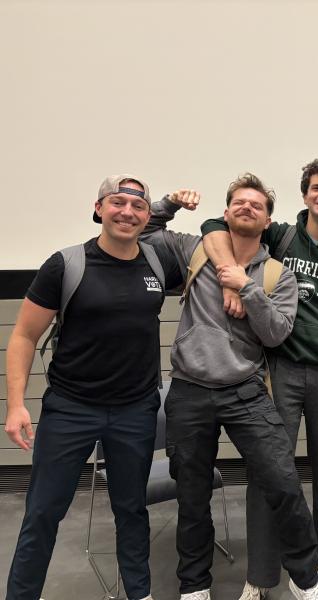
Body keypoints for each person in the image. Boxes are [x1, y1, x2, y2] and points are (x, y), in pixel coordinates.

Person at [141, 173, 318, 600]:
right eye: (239, 203)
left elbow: (276, 333)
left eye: (257, 205)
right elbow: (147, 229)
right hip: (189, 392)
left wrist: (245, 287)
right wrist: (170, 201)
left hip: (245, 392)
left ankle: (305, 579)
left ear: (267, 222)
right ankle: (194, 586)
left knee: (283, 484)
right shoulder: (195, 251)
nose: (247, 207)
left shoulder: (278, 275)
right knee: (192, 496)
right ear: (224, 214)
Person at [200, 158, 318, 597]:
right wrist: (230, 281)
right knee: (268, 472)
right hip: (277, 372)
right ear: (304, 195)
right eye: (315, 187)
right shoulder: (279, 236)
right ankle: (260, 575)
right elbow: (211, 225)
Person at [4, 175, 183, 600]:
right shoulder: (66, 264)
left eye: (138, 206)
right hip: (70, 409)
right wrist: (15, 405)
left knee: (131, 512)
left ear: (147, 216)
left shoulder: (158, 264)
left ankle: (139, 593)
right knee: (43, 513)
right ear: (99, 208)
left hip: (135, 410)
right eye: (117, 202)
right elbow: (24, 336)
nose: (127, 212)